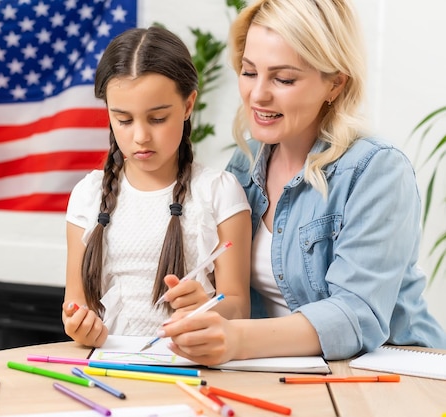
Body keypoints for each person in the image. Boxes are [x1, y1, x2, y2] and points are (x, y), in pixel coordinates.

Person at [161, 0, 446, 365]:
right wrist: (210, 308)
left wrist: (237, 339)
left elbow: (356, 315)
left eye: (283, 79)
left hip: (392, 375)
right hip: (286, 373)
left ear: (335, 84)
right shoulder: (245, 164)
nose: (258, 94)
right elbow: (241, 298)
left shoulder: (376, 170)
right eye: (249, 72)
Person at [62, 26, 252, 348]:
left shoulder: (219, 192)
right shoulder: (87, 196)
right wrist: (80, 326)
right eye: (123, 120)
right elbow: (75, 305)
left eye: (158, 119)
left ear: (188, 105)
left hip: (190, 366)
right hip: (109, 369)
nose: (140, 137)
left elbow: (239, 307)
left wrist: (207, 307)